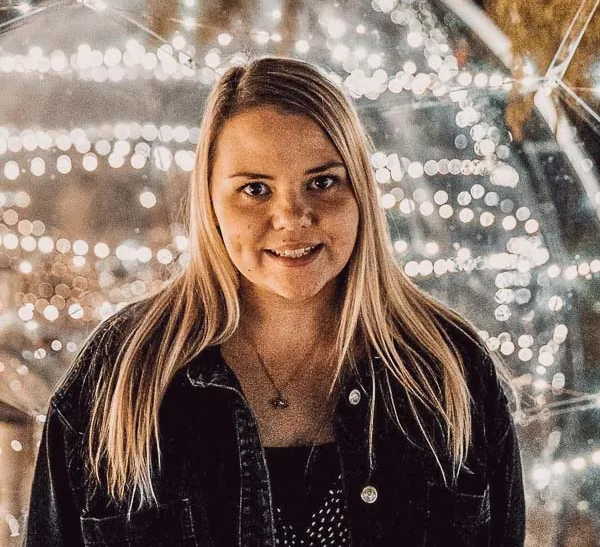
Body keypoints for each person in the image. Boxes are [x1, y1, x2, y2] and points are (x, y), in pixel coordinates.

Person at [24, 55, 526, 546]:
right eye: (256, 189)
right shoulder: (121, 373)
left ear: (362, 193)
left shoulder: (448, 369)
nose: (292, 217)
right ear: (210, 200)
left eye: (323, 182)